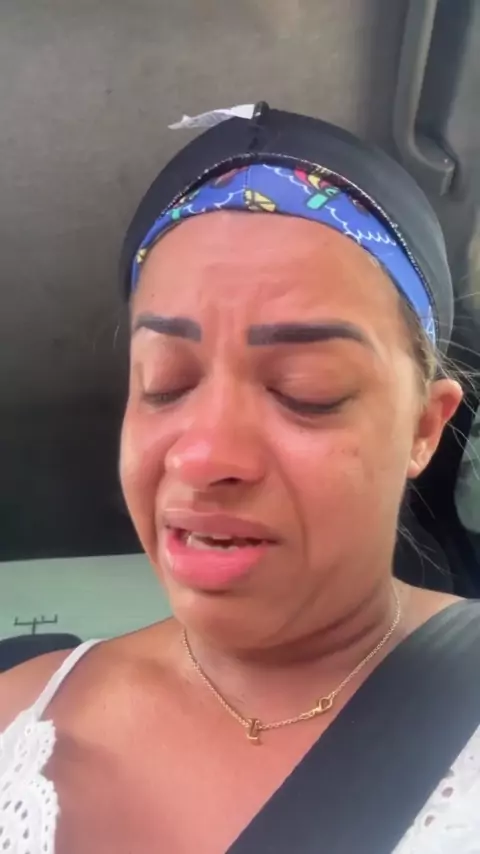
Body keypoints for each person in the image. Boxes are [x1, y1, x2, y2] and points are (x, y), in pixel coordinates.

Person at [0, 103, 478, 854]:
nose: (202, 457)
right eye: (165, 383)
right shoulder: (17, 711)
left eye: (307, 389)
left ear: (424, 428)